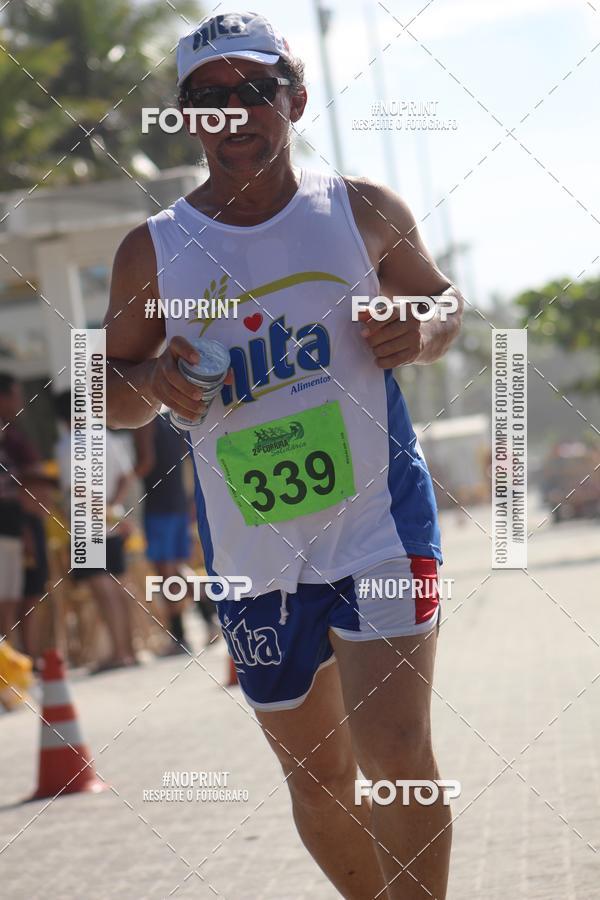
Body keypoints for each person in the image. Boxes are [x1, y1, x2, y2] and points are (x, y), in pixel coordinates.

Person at [104, 13, 464, 899]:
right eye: (209, 98)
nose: (234, 113)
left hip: (379, 528)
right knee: (319, 780)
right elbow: (101, 389)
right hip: (254, 555)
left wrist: (419, 329)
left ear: (293, 99)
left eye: (253, 90)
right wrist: (154, 380)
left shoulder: (361, 210)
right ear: (186, 117)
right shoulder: (151, 252)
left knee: (399, 754)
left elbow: (445, 303)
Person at [55, 390, 137, 672]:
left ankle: (119, 653)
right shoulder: (106, 436)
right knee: (118, 586)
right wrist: (113, 508)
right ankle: (129, 649)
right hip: (111, 524)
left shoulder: (66, 446)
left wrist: (104, 513)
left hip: (86, 526)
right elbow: (126, 476)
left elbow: (76, 491)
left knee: (104, 591)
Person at [134, 412, 220, 651]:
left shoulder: (143, 421)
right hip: (178, 501)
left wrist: (125, 475)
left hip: (159, 505)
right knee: (177, 569)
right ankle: (210, 617)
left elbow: (145, 463)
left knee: (166, 573)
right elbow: (186, 458)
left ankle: (180, 636)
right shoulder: (171, 420)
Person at [0, 373, 40, 647]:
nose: (20, 402)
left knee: (10, 599)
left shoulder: (10, 439)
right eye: (15, 395)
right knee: (6, 601)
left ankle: (12, 667)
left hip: (12, 525)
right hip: (6, 527)